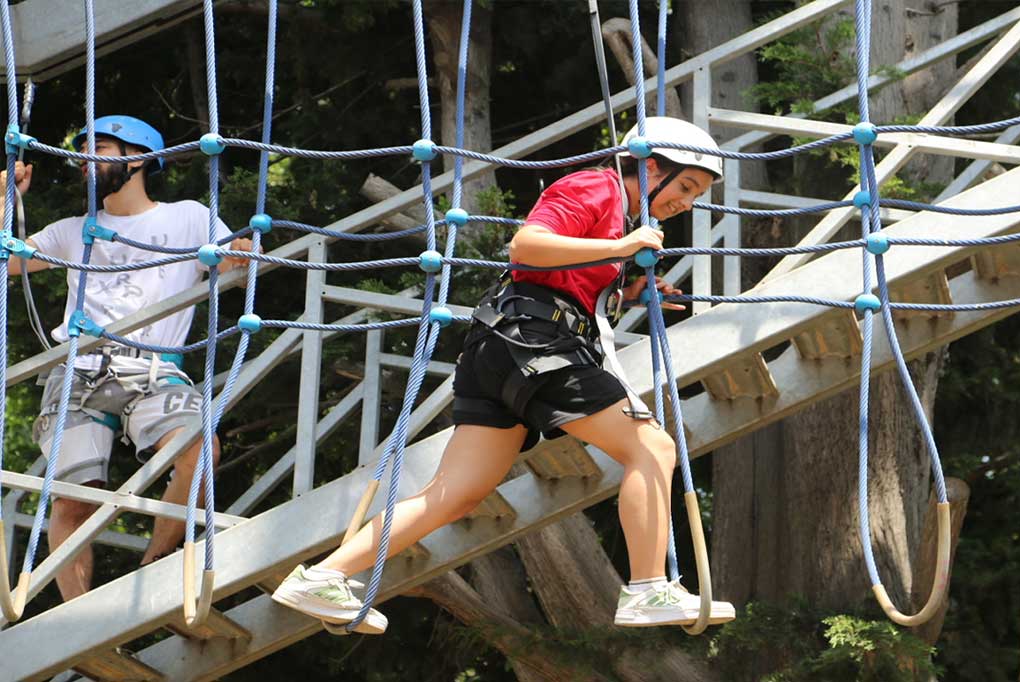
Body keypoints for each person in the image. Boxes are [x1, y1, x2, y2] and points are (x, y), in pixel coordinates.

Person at [272, 117, 736, 634]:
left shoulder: (621, 221)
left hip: (505, 347)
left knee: (455, 493)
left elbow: (572, 279)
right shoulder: (594, 186)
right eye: (687, 187)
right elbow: (528, 247)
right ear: (651, 168)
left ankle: (323, 576)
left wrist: (632, 290)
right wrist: (621, 250)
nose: (687, 203)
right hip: (533, 340)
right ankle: (648, 590)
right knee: (652, 448)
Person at [1, 115, 253, 602]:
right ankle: (79, 620)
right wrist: (7, 199)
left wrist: (243, 249)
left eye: (103, 149)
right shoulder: (72, 231)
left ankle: (154, 565)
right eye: (84, 152)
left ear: (137, 159)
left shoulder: (188, 218)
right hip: (79, 370)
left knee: (201, 453)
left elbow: (233, 258)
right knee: (75, 501)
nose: (87, 161)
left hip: (154, 371)